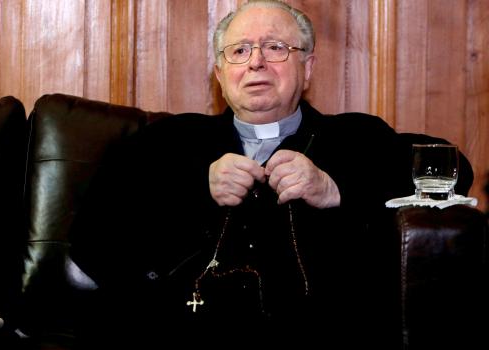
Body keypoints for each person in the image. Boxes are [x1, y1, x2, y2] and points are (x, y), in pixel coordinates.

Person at [71, 0, 473, 347]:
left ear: (308, 66)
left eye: (276, 47)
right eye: (240, 50)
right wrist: (195, 189)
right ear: (219, 73)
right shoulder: (166, 141)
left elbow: (454, 169)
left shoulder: (356, 136)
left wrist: (335, 188)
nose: (256, 62)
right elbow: (89, 239)